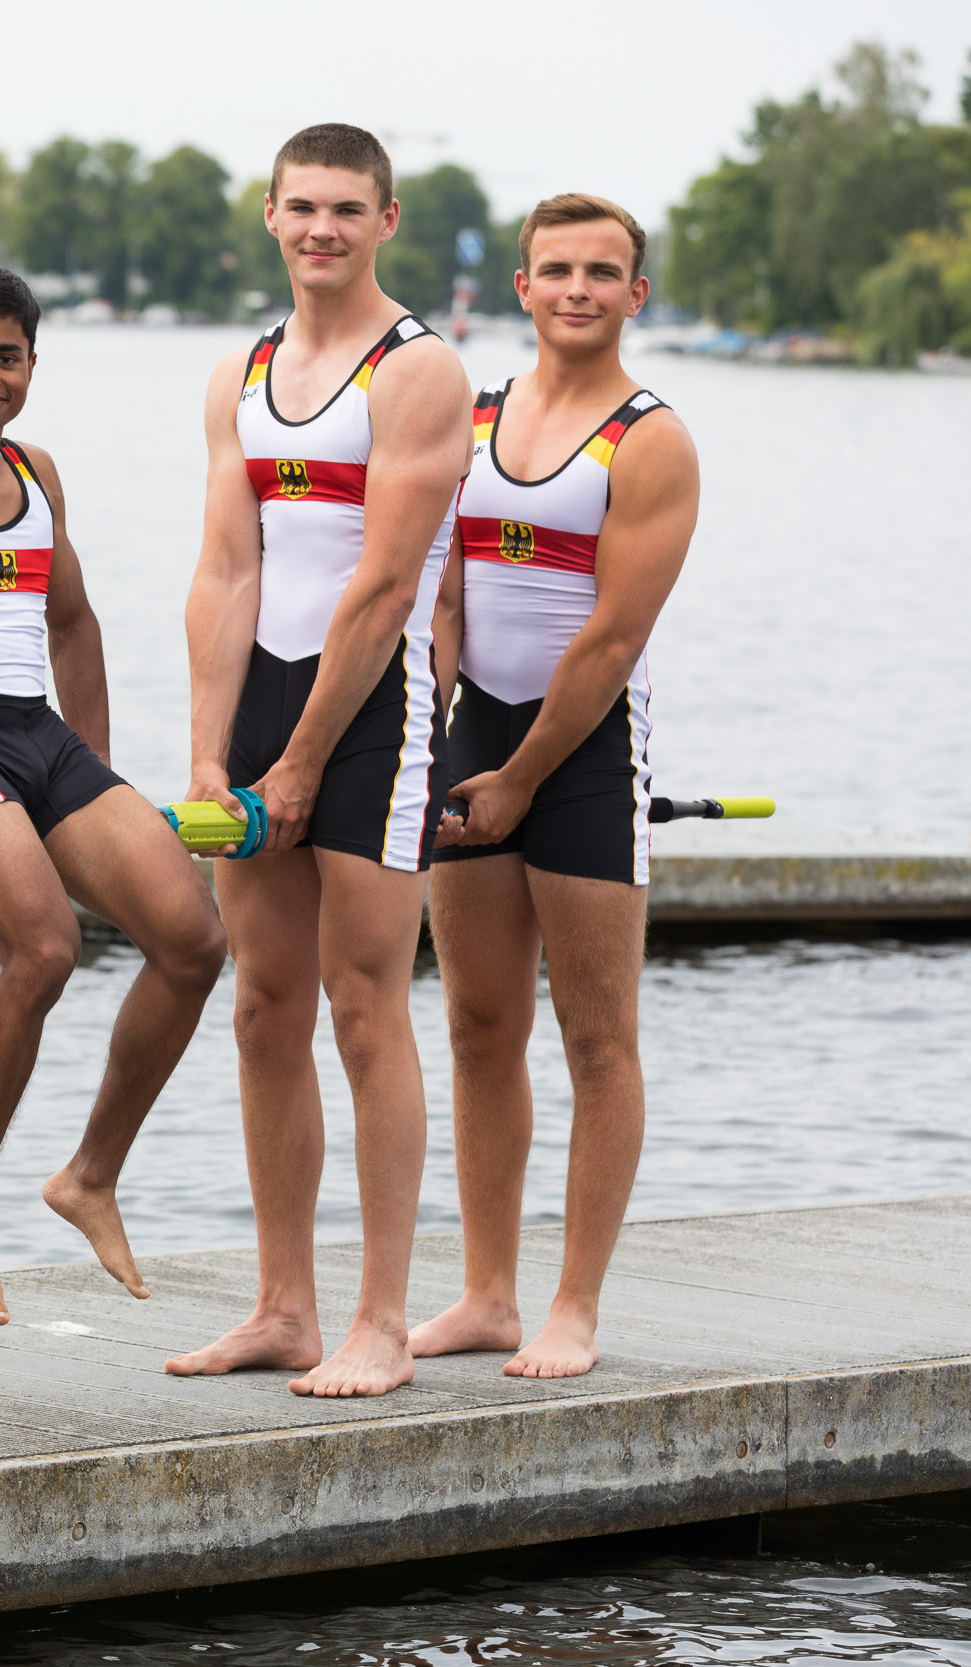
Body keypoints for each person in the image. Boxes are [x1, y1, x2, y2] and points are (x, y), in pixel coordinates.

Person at [0, 261, 226, 1327]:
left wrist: (95, 785)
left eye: (5, 356)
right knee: (46, 948)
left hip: (41, 733)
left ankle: (88, 1175)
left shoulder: (38, 472)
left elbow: (72, 624)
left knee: (194, 941)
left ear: (31, 364)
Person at [170, 124, 470, 1398]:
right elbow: (227, 568)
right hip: (259, 709)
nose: (321, 230)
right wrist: (206, 757)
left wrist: (296, 765)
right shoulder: (239, 370)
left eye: (347, 209)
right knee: (261, 1006)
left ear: (384, 221)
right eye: (301, 207)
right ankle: (281, 1305)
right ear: (272, 214)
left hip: (371, 713)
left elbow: (385, 582)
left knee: (362, 1004)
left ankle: (382, 1320)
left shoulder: (419, 372)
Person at [409, 194, 699, 1379]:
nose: (576, 289)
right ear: (520, 288)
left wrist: (522, 776)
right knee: (480, 1026)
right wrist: (427, 730)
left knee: (596, 1038)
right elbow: (441, 596)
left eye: (602, 272)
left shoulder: (652, 439)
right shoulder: (471, 417)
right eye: (555, 270)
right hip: (471, 732)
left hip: (578, 757)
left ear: (636, 293)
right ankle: (486, 1292)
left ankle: (572, 1305)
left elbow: (611, 641)